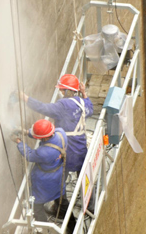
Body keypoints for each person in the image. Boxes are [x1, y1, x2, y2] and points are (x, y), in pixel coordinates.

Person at [19, 74, 93, 215]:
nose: (61, 92)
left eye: (62, 90)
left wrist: (25, 99)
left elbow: (43, 108)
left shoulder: (62, 106)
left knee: (59, 181)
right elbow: (90, 109)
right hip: (81, 148)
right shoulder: (82, 102)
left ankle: (60, 208)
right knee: (85, 177)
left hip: (67, 150)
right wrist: (84, 93)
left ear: (67, 91)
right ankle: (90, 205)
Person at [12, 119, 67, 222]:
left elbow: (29, 155)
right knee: (61, 198)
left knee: (36, 206)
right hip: (59, 175)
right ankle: (67, 219)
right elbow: (45, 135)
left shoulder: (44, 152)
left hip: (45, 181)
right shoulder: (61, 133)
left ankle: (44, 229)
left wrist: (18, 142)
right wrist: (26, 132)